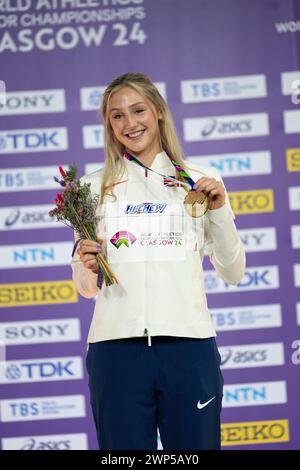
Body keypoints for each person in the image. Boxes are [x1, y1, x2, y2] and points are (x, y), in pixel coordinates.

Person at [71, 72, 246, 450]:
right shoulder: (91, 187)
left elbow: (234, 271)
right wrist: (85, 268)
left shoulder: (199, 181)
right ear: (108, 124)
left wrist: (218, 211)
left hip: (188, 347)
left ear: (159, 113)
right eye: (117, 115)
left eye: (138, 110)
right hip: (115, 350)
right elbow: (85, 289)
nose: (130, 123)